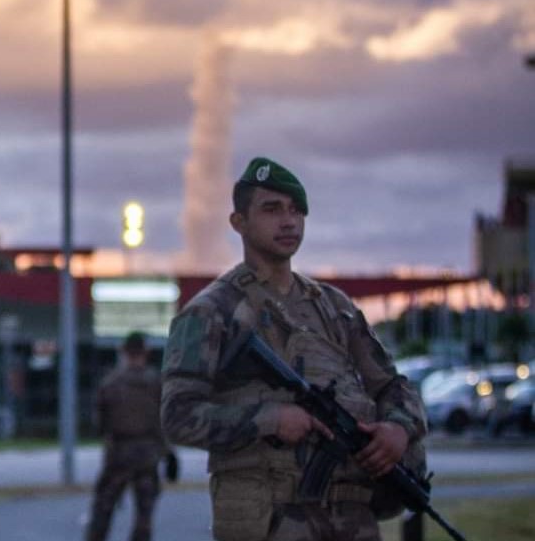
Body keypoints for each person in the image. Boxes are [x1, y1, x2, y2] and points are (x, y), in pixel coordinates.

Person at [161, 157, 427, 541]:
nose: (288, 221)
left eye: (296, 211)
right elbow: (177, 416)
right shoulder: (210, 312)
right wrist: (268, 419)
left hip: (352, 517)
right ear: (239, 222)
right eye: (272, 210)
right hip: (269, 518)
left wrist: (397, 430)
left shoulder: (335, 308)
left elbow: (392, 386)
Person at [85, 331, 170, 541]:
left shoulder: (110, 382)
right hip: (147, 454)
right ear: (145, 352)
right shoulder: (156, 383)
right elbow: (164, 422)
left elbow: (100, 424)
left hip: (118, 454)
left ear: (123, 351)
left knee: (103, 509)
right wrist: (168, 452)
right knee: (144, 515)